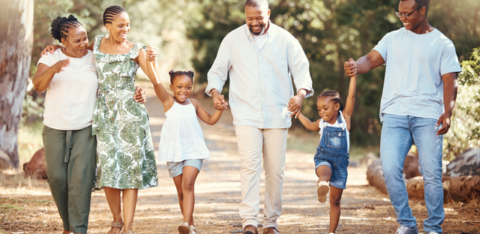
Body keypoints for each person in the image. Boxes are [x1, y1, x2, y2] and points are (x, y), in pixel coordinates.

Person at [344, 0, 461, 233]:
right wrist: (356, 65)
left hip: (428, 116)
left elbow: (451, 81)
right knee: (389, 169)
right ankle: (406, 224)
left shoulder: (442, 43)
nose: (403, 18)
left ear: (423, 11)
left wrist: (447, 113)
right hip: (395, 114)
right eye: (400, 13)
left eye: (407, 13)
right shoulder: (392, 39)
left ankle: (433, 227)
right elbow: (369, 59)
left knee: (432, 173)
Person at [42, 5, 161, 234]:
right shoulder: (95, 44)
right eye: (120, 25)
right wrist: (55, 47)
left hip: (130, 115)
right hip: (104, 115)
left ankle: (128, 227)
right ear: (108, 26)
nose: (125, 29)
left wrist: (153, 61)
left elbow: (155, 80)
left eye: (128, 24)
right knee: (108, 169)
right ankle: (116, 220)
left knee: (130, 170)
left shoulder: (136, 49)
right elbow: (73, 47)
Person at [206, 0, 313, 233]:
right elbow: (217, 72)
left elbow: (301, 69)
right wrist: (215, 94)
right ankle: (250, 222)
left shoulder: (285, 39)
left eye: (259, 18)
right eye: (249, 19)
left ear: (268, 13)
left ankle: (271, 223)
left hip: (278, 113)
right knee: (250, 167)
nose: (254, 23)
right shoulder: (232, 39)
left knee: (275, 170)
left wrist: (301, 95)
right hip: (245, 113)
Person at [152, 69, 228, 234]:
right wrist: (151, 62)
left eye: (188, 87)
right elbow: (156, 83)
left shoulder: (193, 104)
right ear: (171, 87)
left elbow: (209, 120)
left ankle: (186, 223)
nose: (184, 91)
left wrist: (220, 109)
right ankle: (190, 226)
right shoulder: (168, 101)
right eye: (179, 87)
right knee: (181, 193)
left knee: (188, 185)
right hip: (174, 152)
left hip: (193, 150)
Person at [297, 59, 357, 234]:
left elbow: (351, 96)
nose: (322, 112)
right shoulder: (321, 123)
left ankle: (331, 232)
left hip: (341, 164)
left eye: (325, 108)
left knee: (335, 201)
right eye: (319, 109)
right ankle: (322, 183)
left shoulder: (344, 120)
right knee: (325, 172)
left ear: (337, 106)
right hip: (324, 158)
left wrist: (353, 76)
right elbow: (309, 124)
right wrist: (298, 113)